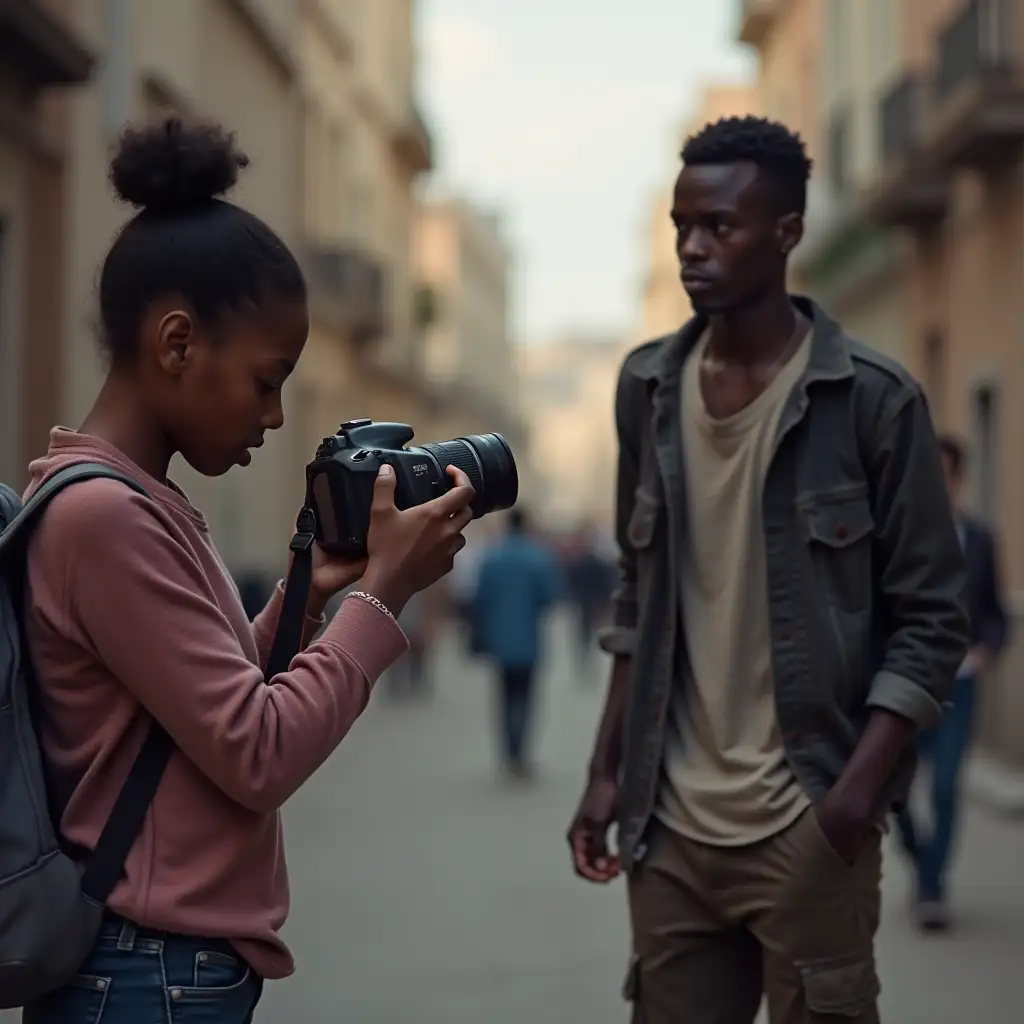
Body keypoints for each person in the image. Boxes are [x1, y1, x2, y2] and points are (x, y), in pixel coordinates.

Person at [20, 117, 475, 1024]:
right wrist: (384, 599)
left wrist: (314, 584)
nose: (273, 417)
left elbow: (211, 701)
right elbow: (256, 752)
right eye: (267, 380)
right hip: (145, 975)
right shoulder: (105, 516)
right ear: (178, 344)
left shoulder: (135, 500)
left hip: (160, 969)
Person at [566, 116, 969, 1024]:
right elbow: (639, 593)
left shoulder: (871, 399)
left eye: (720, 227)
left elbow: (933, 617)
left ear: (787, 233)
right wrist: (605, 770)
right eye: (681, 227)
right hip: (668, 828)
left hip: (808, 820)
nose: (693, 249)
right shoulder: (648, 391)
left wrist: (849, 803)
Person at [897, 434, 1009, 930]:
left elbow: (996, 613)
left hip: (960, 684)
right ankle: (922, 860)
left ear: (959, 479)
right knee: (892, 793)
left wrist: (986, 649)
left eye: (944, 474)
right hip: (905, 683)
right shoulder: (898, 539)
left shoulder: (981, 540)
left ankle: (931, 889)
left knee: (944, 789)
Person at [473, 509, 561, 779]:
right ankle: (521, 755)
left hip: (500, 640)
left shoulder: (493, 556)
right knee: (526, 697)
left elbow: (480, 598)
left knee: (504, 697)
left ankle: (508, 753)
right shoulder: (538, 557)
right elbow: (550, 596)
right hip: (529, 640)